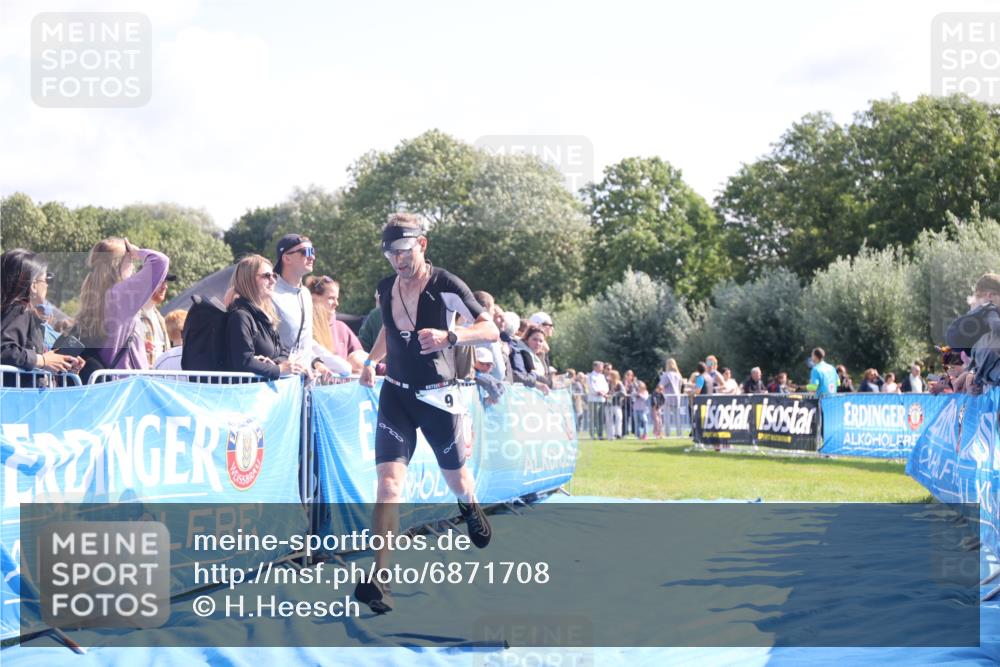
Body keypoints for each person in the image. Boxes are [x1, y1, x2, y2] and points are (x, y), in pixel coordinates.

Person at [357, 213, 499, 613]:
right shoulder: (386, 288)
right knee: (388, 485)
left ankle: (469, 506)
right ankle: (381, 581)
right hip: (397, 396)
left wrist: (450, 337)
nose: (397, 261)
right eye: (390, 254)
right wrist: (370, 361)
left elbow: (490, 330)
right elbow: (389, 328)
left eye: (403, 251)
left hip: (438, 397)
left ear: (422, 244)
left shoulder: (447, 285)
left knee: (457, 480)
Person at [77, 237, 169, 370]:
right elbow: (160, 261)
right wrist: (137, 252)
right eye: (130, 260)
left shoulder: (94, 292)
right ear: (117, 264)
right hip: (127, 382)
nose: (133, 267)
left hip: (110, 379)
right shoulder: (121, 294)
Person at [271, 234, 351, 379]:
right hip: (280, 382)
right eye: (306, 252)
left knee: (346, 368)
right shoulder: (270, 293)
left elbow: (304, 343)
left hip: (304, 382)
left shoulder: (305, 294)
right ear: (286, 258)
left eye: (312, 252)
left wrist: (317, 362)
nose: (312, 257)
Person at [1, 249, 84, 383]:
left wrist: (59, 362)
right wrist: (42, 360)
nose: (47, 284)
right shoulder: (18, 310)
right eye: (46, 279)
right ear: (33, 285)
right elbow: (4, 350)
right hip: (19, 400)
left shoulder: (25, 313)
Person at [225, 255, 306, 380]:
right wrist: (278, 369)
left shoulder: (266, 316)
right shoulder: (240, 316)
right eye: (267, 276)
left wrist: (273, 363)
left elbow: (283, 352)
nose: (273, 281)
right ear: (249, 279)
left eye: (274, 275)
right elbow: (243, 362)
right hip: (246, 395)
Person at [307, 275, 367, 373]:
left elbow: (362, 359)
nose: (336, 303)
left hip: (343, 387)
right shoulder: (304, 327)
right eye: (331, 298)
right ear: (314, 298)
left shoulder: (342, 328)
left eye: (337, 298)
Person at [139, 275, 173, 366]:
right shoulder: (132, 316)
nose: (165, 286)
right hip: (142, 377)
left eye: (166, 282)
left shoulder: (160, 318)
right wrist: (138, 347)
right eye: (161, 281)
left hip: (160, 377)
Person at [658, 358, 684, 437]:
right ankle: (679, 434)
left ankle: (667, 434)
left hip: (668, 397)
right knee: (677, 417)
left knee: (667, 417)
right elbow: (680, 387)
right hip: (677, 397)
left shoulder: (667, 375)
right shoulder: (679, 375)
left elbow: (661, 385)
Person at [587, 361, 609, 439]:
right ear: (595, 367)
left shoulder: (602, 376)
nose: (602, 368)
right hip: (593, 400)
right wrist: (600, 392)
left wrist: (604, 392)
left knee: (600, 418)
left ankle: (600, 435)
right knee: (593, 418)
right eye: (601, 366)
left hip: (602, 400)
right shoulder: (590, 376)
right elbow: (592, 387)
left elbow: (606, 387)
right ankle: (592, 434)